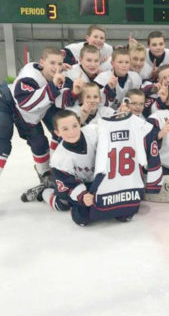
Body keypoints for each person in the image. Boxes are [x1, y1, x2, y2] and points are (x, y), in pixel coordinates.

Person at [0, 47, 79, 182]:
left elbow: (61, 103)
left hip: (29, 115)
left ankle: (45, 174)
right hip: (7, 102)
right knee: (2, 142)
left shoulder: (58, 78)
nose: (56, 67)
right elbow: (25, 103)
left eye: (59, 63)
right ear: (42, 62)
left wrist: (73, 92)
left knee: (40, 143)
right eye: (52, 63)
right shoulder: (30, 75)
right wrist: (53, 87)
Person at [21, 109, 100, 215]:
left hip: (93, 179)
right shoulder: (59, 159)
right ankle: (43, 191)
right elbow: (69, 185)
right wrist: (82, 196)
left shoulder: (94, 131)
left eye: (75, 126)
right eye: (65, 129)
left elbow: (112, 127)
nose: (71, 132)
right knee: (62, 204)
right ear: (57, 132)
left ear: (80, 123)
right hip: (74, 181)